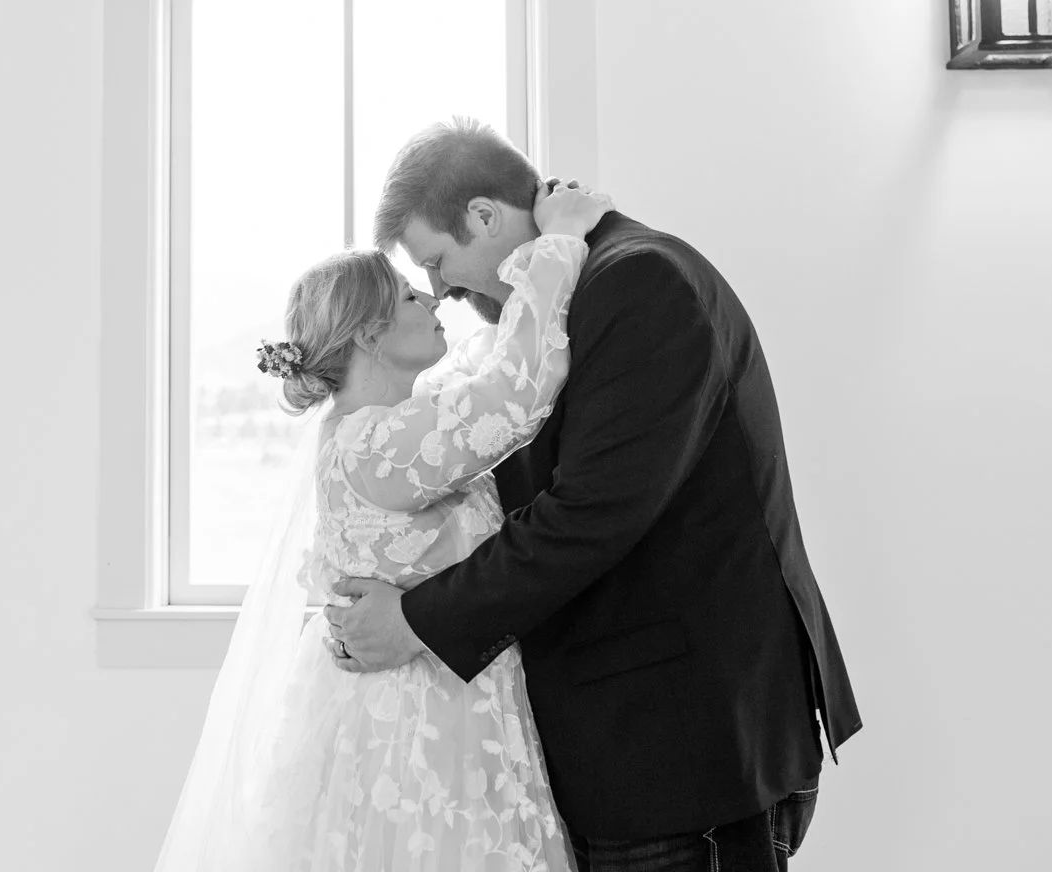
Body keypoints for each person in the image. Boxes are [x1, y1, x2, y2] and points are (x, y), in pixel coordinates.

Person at [327, 118, 861, 871]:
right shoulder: (558, 301)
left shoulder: (639, 281)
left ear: (484, 215)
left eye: (438, 262)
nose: (439, 290)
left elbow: (591, 513)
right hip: (626, 742)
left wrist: (416, 621)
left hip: (682, 745)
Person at [153, 182, 614, 872]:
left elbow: (485, 367)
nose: (432, 298)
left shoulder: (390, 425)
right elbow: (511, 395)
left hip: (448, 711)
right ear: (370, 334)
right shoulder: (376, 446)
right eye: (407, 295)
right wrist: (561, 241)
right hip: (418, 733)